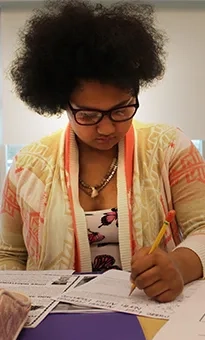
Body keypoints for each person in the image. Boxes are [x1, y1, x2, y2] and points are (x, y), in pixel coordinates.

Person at [0, 0, 205, 303]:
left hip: (151, 324)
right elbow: (9, 253)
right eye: (88, 115)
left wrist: (179, 264)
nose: (107, 128)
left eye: (121, 110)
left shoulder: (170, 148)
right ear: (61, 104)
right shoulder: (27, 167)